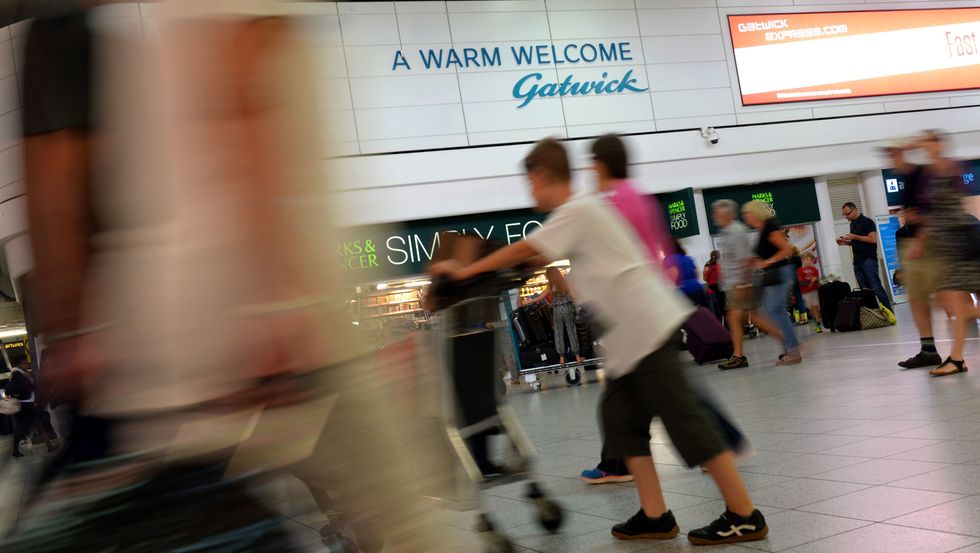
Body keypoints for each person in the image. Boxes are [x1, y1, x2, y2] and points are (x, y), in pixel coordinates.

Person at [432, 138, 768, 545]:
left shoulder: (578, 209)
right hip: (629, 340)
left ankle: (744, 513)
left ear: (541, 174)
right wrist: (475, 270)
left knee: (688, 423)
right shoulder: (581, 211)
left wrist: (465, 273)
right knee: (621, 423)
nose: (530, 191)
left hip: (646, 331)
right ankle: (655, 515)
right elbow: (529, 260)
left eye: (530, 182)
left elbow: (528, 249)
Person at [580, 134, 746, 485]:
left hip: (638, 312)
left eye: (591, 162)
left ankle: (721, 456)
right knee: (650, 394)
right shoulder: (634, 195)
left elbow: (614, 255)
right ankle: (622, 464)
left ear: (600, 163)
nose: (589, 169)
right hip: (645, 308)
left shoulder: (617, 201)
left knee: (669, 397)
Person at [908, 131, 980, 376]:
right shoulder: (930, 174)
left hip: (963, 246)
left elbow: (948, 211)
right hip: (949, 249)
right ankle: (957, 359)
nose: (924, 148)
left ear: (938, 144)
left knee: (955, 305)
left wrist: (918, 144)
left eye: (929, 143)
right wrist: (921, 239)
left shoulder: (948, 167)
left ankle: (957, 358)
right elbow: (932, 214)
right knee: (952, 305)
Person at [888, 140, 943, 369]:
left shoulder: (925, 174)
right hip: (919, 246)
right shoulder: (911, 179)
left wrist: (920, 241)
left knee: (949, 301)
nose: (893, 161)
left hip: (930, 246)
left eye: (895, 155)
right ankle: (928, 349)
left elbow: (933, 212)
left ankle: (940, 352)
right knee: (918, 299)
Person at [742, 201, 802, 365]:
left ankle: (793, 349)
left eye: (748, 213)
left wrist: (767, 262)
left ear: (756, 212)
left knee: (776, 310)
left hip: (780, 272)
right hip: (772, 275)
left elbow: (787, 249)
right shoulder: (762, 230)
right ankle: (790, 346)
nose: (746, 217)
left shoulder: (770, 226)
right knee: (771, 311)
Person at [713, 200, 757, 370]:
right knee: (748, 318)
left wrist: (743, 285)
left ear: (727, 214)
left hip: (738, 284)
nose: (714, 216)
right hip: (733, 284)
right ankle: (788, 343)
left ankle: (738, 356)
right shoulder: (726, 232)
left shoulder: (737, 231)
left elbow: (745, 260)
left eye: (717, 213)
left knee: (741, 319)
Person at [839, 202, 892, 311]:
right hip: (857, 261)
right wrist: (845, 243)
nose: (846, 216)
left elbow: (872, 239)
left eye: (848, 214)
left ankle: (889, 313)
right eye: (844, 215)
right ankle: (874, 314)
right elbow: (857, 242)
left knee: (876, 288)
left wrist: (854, 236)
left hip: (868, 260)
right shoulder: (852, 224)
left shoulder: (867, 222)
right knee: (865, 291)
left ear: (854, 210)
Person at [5, 356, 56, 458]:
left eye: (26, 363)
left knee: (39, 425)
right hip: (23, 406)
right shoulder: (17, 374)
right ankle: (15, 450)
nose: (26, 365)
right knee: (20, 429)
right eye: (24, 363)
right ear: (19, 364)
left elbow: (32, 387)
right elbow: (11, 389)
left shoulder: (27, 373)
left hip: (31, 404)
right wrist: (25, 380)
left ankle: (49, 446)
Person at [546, 266, 586, 369]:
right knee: (571, 331)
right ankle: (577, 357)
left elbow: (542, 296)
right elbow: (574, 295)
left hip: (557, 310)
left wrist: (529, 301)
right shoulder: (565, 282)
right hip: (567, 308)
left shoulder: (550, 285)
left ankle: (562, 358)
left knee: (558, 333)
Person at [667, 238, 708, 307]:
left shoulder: (669, 260)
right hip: (697, 288)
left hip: (682, 292)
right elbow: (697, 273)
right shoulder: (687, 258)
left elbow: (673, 276)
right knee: (704, 314)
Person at [798, 253, 823, 333]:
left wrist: (815, 281)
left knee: (815, 307)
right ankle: (816, 321)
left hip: (814, 291)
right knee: (811, 309)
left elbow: (817, 281)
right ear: (803, 260)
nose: (808, 261)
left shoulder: (814, 270)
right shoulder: (800, 271)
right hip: (806, 293)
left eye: (810, 260)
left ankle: (818, 323)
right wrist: (810, 281)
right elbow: (801, 282)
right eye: (806, 260)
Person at [704, 250, 725, 321]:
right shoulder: (722, 266)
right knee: (724, 312)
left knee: (714, 315)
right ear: (719, 256)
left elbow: (705, 279)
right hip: (721, 291)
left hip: (711, 292)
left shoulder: (707, 266)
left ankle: (717, 330)